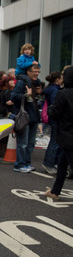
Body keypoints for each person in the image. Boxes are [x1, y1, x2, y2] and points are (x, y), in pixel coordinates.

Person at [44, 66, 73, 200]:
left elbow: (55, 114)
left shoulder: (64, 94)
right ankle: (55, 191)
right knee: (62, 164)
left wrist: (50, 109)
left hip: (67, 135)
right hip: (68, 136)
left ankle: (55, 191)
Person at [11, 64, 41, 173]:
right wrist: (25, 95)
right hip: (24, 116)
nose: (37, 73)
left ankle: (27, 163)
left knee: (30, 143)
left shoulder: (34, 83)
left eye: (38, 71)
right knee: (23, 143)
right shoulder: (21, 82)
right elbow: (13, 97)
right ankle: (19, 165)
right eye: (35, 71)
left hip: (33, 116)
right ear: (28, 72)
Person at [41, 72, 63, 175]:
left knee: (54, 141)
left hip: (52, 118)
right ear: (57, 80)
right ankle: (49, 164)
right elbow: (56, 105)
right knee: (54, 142)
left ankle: (50, 163)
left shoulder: (51, 88)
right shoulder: (55, 90)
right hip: (55, 119)